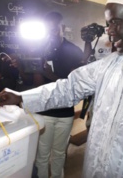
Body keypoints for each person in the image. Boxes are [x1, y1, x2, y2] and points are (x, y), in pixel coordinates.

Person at [0, 0, 123, 177]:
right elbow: (69, 88)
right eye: (108, 24)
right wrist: (22, 98)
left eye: (115, 22)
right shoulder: (110, 64)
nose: (109, 31)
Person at [30, 11, 83, 178]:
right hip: (44, 111)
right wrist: (39, 71)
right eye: (48, 30)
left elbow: (73, 86)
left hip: (65, 112)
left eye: (55, 29)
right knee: (42, 156)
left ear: (63, 28)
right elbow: (38, 85)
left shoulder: (74, 51)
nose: (51, 33)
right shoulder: (39, 50)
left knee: (60, 154)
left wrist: (50, 74)